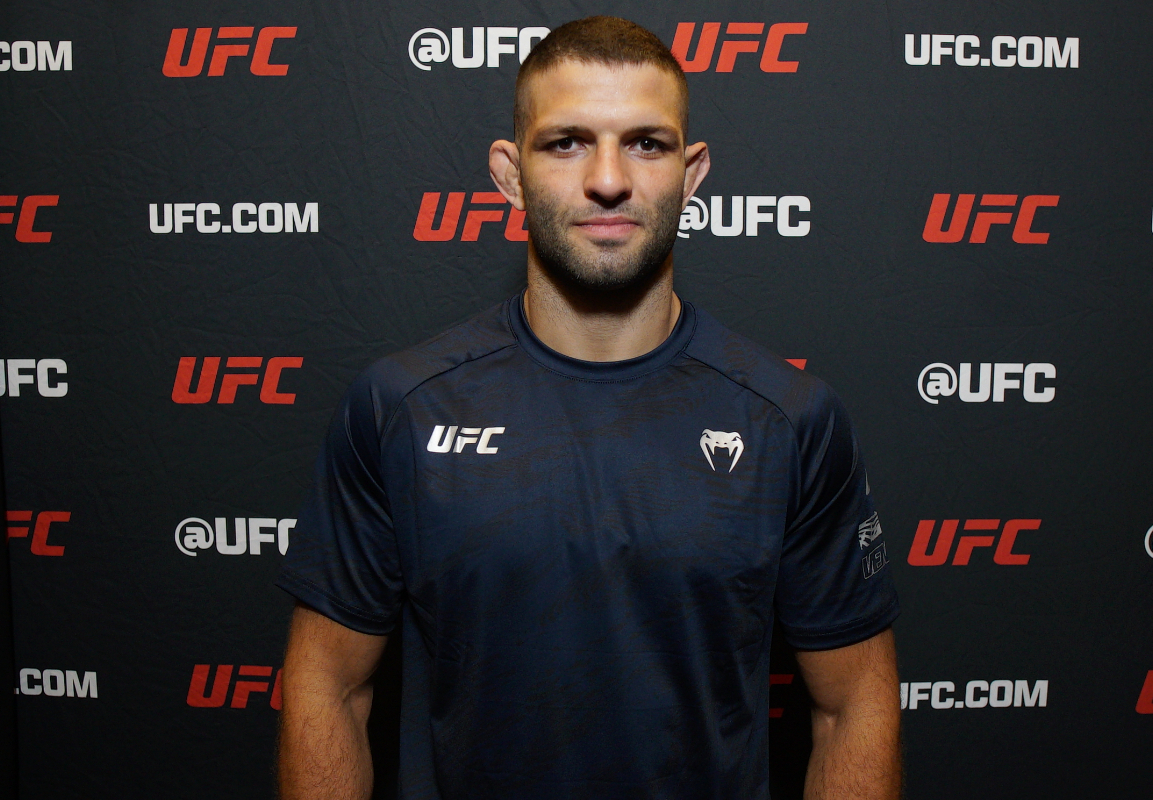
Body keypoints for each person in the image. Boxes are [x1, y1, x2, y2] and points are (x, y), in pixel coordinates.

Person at [276, 15, 901, 800]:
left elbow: (853, 706)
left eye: (647, 143)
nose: (609, 179)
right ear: (510, 175)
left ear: (692, 173)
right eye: (567, 142)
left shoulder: (789, 419)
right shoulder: (400, 406)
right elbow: (328, 687)